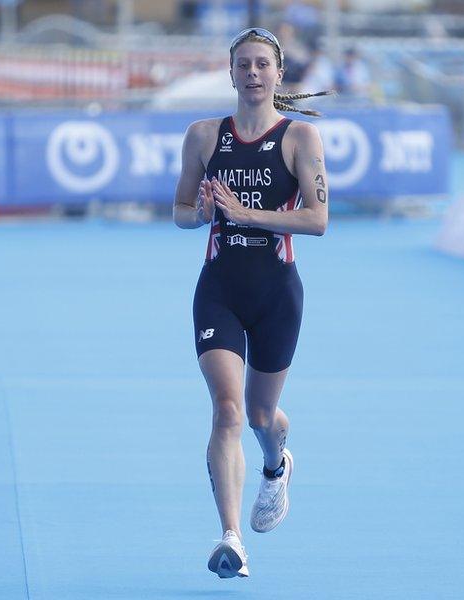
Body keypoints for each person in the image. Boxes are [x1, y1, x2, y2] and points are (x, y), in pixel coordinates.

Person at [172, 27, 331, 579]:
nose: (254, 72)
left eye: (264, 64)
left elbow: (317, 220)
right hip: (219, 288)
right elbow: (181, 211)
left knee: (261, 415)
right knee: (228, 409)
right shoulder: (202, 136)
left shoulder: (299, 140)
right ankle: (232, 539)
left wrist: (247, 214)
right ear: (231, 71)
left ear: (278, 74)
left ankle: (276, 462)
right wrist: (208, 213)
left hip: (277, 293)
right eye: (244, 64)